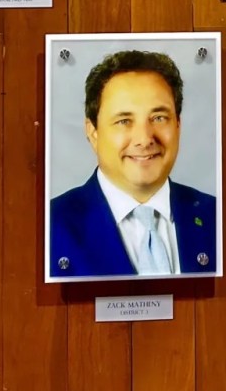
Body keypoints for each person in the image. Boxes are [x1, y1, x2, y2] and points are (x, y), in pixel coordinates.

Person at [49, 50, 217, 278]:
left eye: (159, 118)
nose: (145, 139)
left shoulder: (218, 218)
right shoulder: (49, 226)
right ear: (93, 132)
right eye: (124, 121)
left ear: (178, 125)